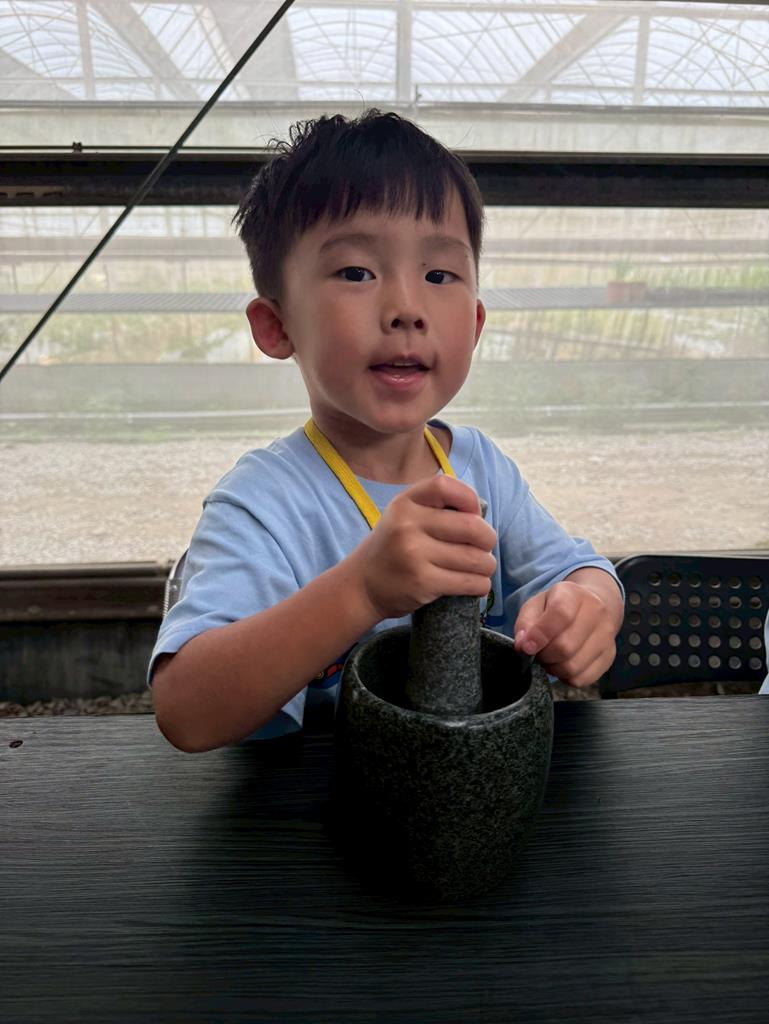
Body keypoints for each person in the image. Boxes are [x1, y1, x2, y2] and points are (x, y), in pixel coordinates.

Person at [150, 110, 625, 752]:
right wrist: (363, 590)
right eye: (356, 272)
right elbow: (186, 711)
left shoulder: (481, 469)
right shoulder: (263, 503)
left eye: (439, 275)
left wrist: (588, 606)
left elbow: (580, 570)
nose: (406, 309)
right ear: (277, 326)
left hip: (469, 784)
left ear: (475, 324)